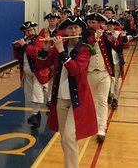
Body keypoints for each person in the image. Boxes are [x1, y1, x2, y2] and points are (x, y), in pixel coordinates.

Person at [36, 16, 97, 168]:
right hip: (60, 99)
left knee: (70, 137)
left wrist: (62, 51)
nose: (73, 30)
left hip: (77, 100)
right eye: (69, 28)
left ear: (81, 30)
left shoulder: (85, 49)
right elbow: (41, 64)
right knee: (65, 139)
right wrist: (45, 49)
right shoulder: (58, 47)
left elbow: (75, 69)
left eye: (76, 27)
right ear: (65, 31)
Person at [85, 12, 122, 143]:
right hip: (88, 73)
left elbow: (118, 48)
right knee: (93, 101)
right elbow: (82, 46)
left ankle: (101, 129)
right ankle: (94, 124)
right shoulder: (85, 35)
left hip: (105, 73)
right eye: (89, 22)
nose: (90, 25)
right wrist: (94, 37)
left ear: (100, 24)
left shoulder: (106, 36)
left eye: (93, 23)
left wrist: (112, 38)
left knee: (102, 101)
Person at [12, 21, 49, 127]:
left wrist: (24, 46)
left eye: (31, 30)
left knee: (37, 93)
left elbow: (36, 53)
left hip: (38, 70)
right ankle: (36, 114)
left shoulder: (39, 39)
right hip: (26, 71)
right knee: (29, 94)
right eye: (27, 31)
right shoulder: (23, 41)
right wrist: (16, 48)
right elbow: (17, 57)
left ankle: (36, 114)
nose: (29, 32)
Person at [38, 12, 63, 109]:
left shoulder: (61, 30)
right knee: (46, 78)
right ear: (48, 20)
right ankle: (47, 98)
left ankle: (51, 98)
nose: (52, 20)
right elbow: (39, 42)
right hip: (46, 56)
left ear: (57, 20)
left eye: (54, 19)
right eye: (51, 19)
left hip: (56, 55)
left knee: (54, 78)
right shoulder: (43, 31)